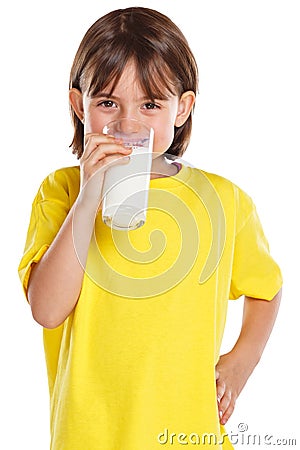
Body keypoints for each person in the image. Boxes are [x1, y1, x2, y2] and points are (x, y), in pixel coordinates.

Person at [18, 7, 282, 450]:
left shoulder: (223, 200)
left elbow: (266, 288)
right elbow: (46, 310)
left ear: (182, 108)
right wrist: (88, 197)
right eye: (107, 102)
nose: (128, 123)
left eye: (150, 104)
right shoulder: (61, 191)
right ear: (78, 105)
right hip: (89, 437)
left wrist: (242, 360)